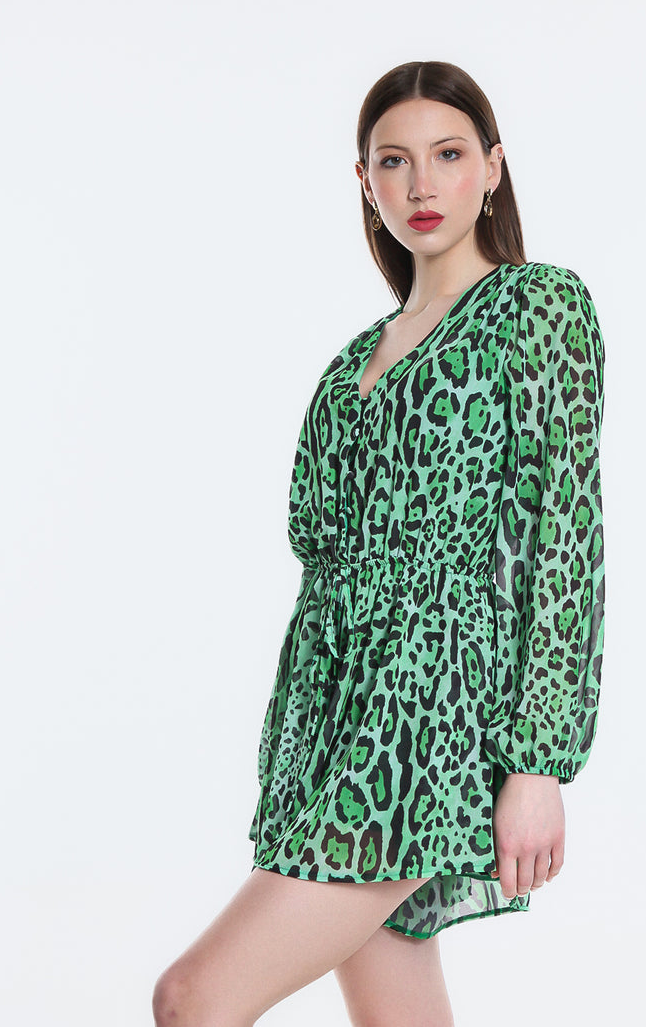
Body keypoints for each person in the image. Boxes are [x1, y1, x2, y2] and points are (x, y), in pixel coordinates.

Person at [153, 59, 606, 1027]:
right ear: (365, 182)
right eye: (394, 161)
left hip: (429, 716)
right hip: (331, 722)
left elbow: (566, 538)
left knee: (192, 999)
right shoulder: (351, 362)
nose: (421, 183)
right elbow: (322, 564)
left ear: (493, 168)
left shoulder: (537, 309)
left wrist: (539, 762)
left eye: (448, 155)